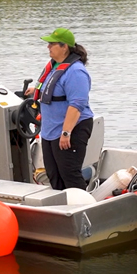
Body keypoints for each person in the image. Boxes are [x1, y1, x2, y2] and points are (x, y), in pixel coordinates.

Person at [26, 28, 94, 191]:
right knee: (54, 174)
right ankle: (61, 209)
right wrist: (34, 92)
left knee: (70, 174)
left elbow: (77, 104)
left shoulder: (76, 72)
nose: (48, 47)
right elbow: (50, 88)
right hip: (50, 130)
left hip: (71, 129)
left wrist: (66, 133)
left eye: (52, 44)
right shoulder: (55, 66)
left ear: (64, 47)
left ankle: (82, 209)